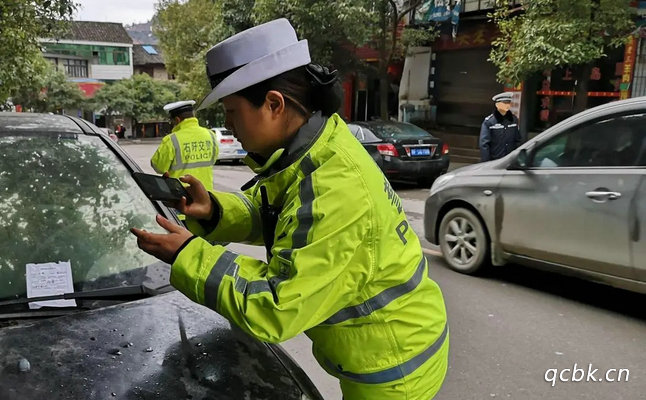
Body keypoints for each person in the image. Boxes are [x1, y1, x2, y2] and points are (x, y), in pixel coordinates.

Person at [130, 19, 448, 400]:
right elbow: (281, 216)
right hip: (383, 352)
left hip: (395, 370)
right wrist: (213, 210)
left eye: (232, 112)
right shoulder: (311, 150)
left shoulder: (334, 185)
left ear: (274, 104)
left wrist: (186, 255)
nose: (228, 125)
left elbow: (275, 306)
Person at [151, 100, 218, 190]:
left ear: (177, 119)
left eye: (171, 121)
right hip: (205, 194)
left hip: (181, 195)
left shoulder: (171, 140)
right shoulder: (211, 135)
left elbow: (158, 167)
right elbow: (213, 160)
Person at [479, 92, 522, 162]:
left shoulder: (513, 120)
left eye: (509, 103)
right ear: (497, 105)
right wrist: (486, 162)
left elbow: (517, 140)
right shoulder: (489, 121)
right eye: (504, 103)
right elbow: (484, 144)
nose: (507, 105)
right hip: (494, 161)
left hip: (510, 161)